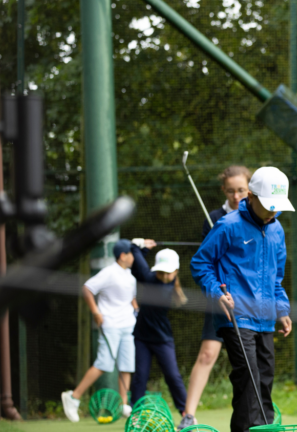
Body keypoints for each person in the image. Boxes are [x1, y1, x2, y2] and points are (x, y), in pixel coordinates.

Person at [190, 167, 295, 432]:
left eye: (277, 206)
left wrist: (282, 309)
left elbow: (276, 277)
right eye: (268, 205)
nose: (273, 212)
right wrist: (216, 293)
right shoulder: (228, 226)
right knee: (248, 376)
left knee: (265, 376)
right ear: (251, 196)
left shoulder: (277, 230)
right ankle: (261, 429)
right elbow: (200, 263)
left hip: (265, 317)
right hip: (234, 315)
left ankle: (254, 427)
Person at [177, 165, 252, 429]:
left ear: (249, 189)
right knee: (208, 353)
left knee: (251, 359)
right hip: (221, 297)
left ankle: (255, 413)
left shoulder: (258, 217)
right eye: (231, 191)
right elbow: (205, 261)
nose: (236, 196)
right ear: (224, 190)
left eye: (241, 190)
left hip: (249, 300)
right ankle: (188, 415)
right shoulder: (215, 218)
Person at [61, 239, 139, 422]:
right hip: (110, 324)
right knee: (104, 363)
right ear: (123, 255)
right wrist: (96, 312)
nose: (133, 257)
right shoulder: (109, 273)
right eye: (131, 253)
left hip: (128, 325)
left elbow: (131, 299)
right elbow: (87, 289)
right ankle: (73, 397)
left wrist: (137, 310)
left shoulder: (130, 276)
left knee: (127, 365)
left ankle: (123, 405)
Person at [126, 239, 190, 415]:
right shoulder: (147, 278)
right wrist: (140, 246)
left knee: (173, 376)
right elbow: (136, 260)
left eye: (170, 273)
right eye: (163, 272)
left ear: (176, 271)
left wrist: (140, 246)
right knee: (140, 377)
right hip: (142, 337)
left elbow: (136, 255)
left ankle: (186, 413)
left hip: (162, 338)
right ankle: (136, 414)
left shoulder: (168, 284)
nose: (166, 276)